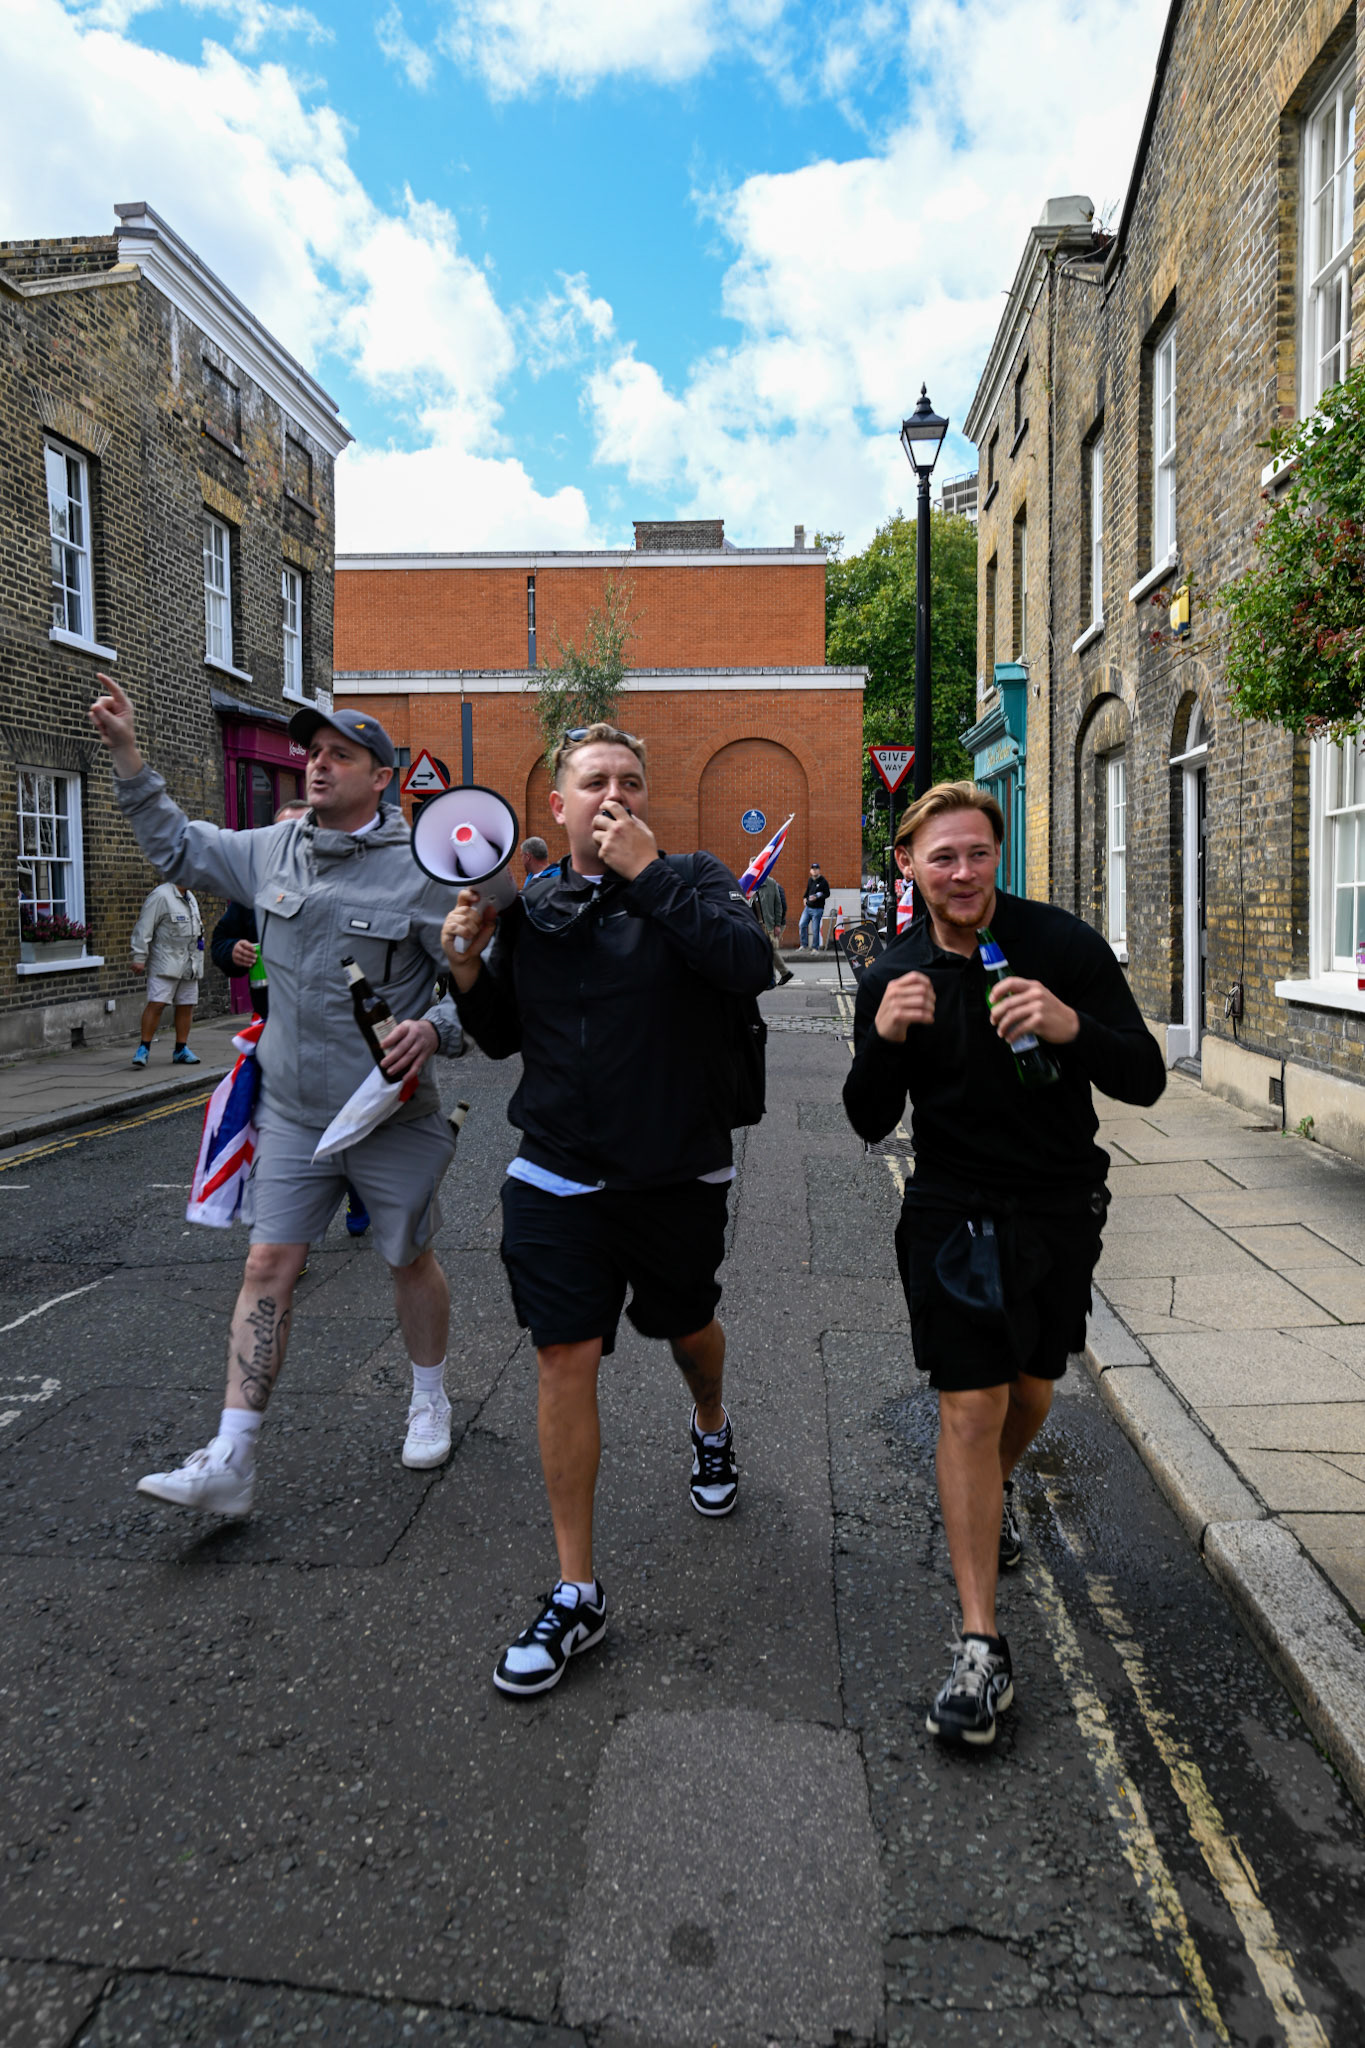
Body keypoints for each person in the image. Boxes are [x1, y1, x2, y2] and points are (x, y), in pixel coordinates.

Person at [440, 722, 772, 1697]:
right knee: (563, 1353)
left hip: (674, 1170)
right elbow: (503, 1036)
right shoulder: (535, 906)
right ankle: (576, 1589)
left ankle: (709, 1418)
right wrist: (466, 969)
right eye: (594, 781)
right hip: (557, 1172)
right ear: (559, 803)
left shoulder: (695, 879)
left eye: (629, 779)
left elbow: (746, 964)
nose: (613, 794)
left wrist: (649, 875)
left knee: (686, 1328)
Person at [89, 678, 466, 1515]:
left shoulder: (423, 871)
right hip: (292, 1114)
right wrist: (127, 754)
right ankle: (232, 1456)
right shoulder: (272, 850)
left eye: (340, 755)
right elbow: (177, 847)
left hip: (389, 1114)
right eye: (313, 752)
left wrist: (436, 1028)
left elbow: (484, 982)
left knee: (407, 1257)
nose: (318, 765)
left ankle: (429, 1395)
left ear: (382, 777)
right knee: (267, 1264)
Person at [842, 782, 1165, 1748]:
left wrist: (1071, 1026)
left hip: (1057, 1205)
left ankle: (993, 1490)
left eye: (976, 853)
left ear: (997, 855)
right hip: (950, 1208)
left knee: (1030, 1391)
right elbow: (867, 1120)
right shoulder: (894, 975)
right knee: (970, 1405)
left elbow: (1144, 1075)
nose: (961, 873)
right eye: (940, 857)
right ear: (908, 865)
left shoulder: (1059, 946)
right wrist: (884, 1040)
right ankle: (980, 1644)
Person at [209, 801, 371, 1242]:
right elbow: (222, 940)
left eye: (300, 830)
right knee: (274, 1131)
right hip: (274, 1032)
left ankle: (357, 1188)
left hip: (337, 1033)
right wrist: (233, 951)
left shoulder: (348, 885)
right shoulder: (255, 889)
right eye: (281, 832)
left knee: (343, 1122)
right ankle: (283, 1235)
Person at [129, 880, 204, 1066]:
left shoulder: (190, 898)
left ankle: (181, 1049)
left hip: (190, 961)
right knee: (157, 1003)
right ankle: (144, 1048)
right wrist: (139, 956)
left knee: (186, 1004)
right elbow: (144, 927)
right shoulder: (161, 895)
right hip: (165, 961)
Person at [753, 873, 793, 987]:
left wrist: (777, 925)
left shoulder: (773, 885)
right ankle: (782, 974)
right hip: (760, 925)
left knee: (770, 950)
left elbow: (781, 906)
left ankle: (774, 978)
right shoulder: (752, 886)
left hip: (773, 925)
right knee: (769, 950)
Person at [798, 861, 830, 952]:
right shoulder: (810, 880)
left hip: (818, 909)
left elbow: (827, 894)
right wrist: (805, 897)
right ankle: (804, 945)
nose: (814, 871)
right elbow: (808, 891)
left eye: (816, 869)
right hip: (808, 908)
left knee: (815, 929)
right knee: (802, 924)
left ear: (819, 871)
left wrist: (817, 897)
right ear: (810, 871)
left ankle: (815, 948)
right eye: (813, 869)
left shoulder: (823, 881)